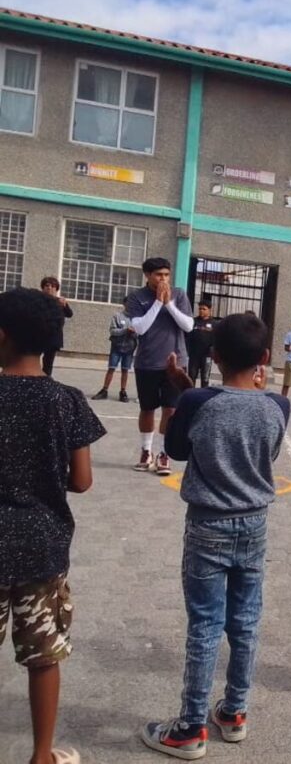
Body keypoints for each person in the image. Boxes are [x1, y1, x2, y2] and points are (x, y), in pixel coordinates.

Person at [142, 314, 289, 760]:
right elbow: (265, 450)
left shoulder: (197, 401)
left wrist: (182, 395)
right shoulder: (278, 406)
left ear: (215, 357)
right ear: (265, 358)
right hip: (254, 523)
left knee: (205, 624)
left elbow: (178, 449)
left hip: (209, 523)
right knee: (245, 622)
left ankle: (190, 727)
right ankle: (234, 711)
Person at [0, 287, 106, 764]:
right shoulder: (66, 400)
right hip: (41, 548)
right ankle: (42, 755)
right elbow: (81, 481)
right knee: (43, 655)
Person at [125, 257, 194, 477]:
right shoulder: (137, 297)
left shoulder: (179, 294)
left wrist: (168, 304)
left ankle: (164, 453)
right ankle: (146, 451)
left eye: (166, 275)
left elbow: (188, 326)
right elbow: (140, 328)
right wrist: (157, 303)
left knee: (170, 409)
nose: (163, 279)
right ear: (147, 275)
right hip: (147, 362)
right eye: (158, 275)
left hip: (175, 363)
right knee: (147, 408)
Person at [92, 296, 137, 402]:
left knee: (125, 370)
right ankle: (104, 390)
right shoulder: (117, 316)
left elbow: (139, 333)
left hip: (129, 348)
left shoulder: (136, 319)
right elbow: (112, 331)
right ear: (124, 304)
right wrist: (125, 330)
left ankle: (123, 392)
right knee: (111, 368)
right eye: (128, 303)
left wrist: (134, 332)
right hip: (117, 347)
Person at [39, 276, 73, 377]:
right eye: (47, 285)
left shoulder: (60, 301)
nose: (49, 288)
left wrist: (65, 305)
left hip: (53, 337)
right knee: (32, 360)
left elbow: (69, 314)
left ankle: (45, 381)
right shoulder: (37, 300)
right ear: (43, 288)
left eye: (53, 286)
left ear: (56, 289)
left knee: (48, 363)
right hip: (38, 335)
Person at [186, 301, 216, 388]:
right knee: (191, 378)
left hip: (207, 356)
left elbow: (217, 339)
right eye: (200, 309)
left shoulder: (214, 323)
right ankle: (191, 394)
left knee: (205, 379)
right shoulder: (193, 321)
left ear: (210, 310)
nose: (201, 310)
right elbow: (187, 336)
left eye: (204, 309)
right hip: (194, 356)